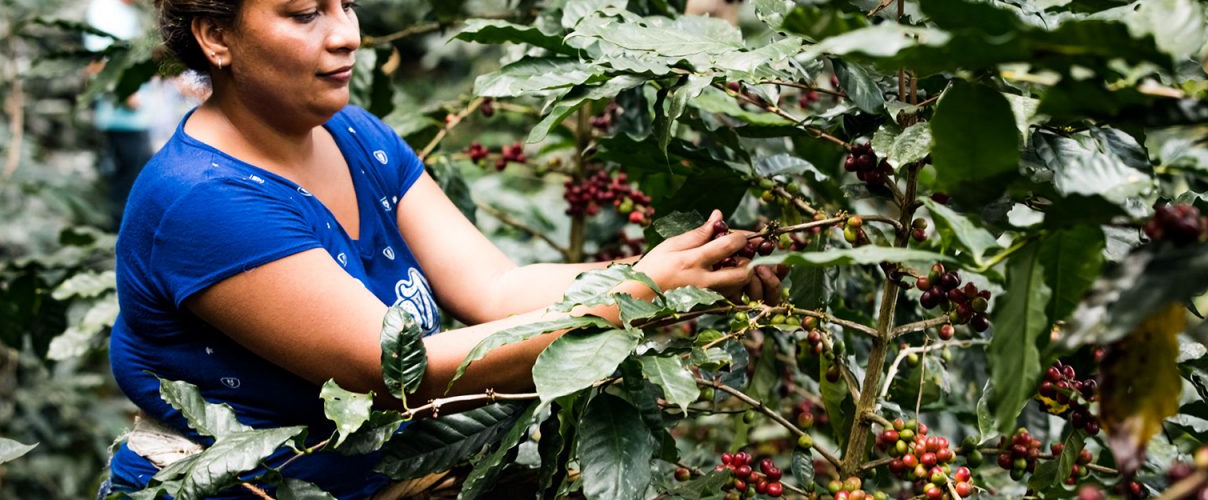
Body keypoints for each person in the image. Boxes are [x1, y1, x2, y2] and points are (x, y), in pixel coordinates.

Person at [104, 0, 787, 498]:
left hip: (379, 479)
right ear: (216, 36)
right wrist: (641, 294)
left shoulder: (354, 134)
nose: (346, 35)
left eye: (344, 4)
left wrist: (669, 268)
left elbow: (493, 286)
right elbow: (398, 374)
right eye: (305, 12)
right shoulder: (202, 200)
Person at [85, 0, 158, 229]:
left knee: (135, 179)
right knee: (125, 185)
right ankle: (116, 240)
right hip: (121, 117)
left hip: (138, 117)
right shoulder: (104, 10)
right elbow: (97, 61)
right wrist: (125, 94)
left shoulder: (131, 12)